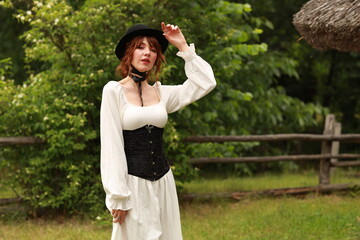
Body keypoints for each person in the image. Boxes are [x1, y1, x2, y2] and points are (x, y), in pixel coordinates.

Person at [100, 22, 216, 240]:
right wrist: (118, 196)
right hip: (133, 184)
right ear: (129, 52)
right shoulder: (113, 91)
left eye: (153, 49)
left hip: (163, 181)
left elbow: (205, 83)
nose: (147, 53)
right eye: (140, 47)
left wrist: (183, 47)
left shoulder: (163, 93)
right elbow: (111, 146)